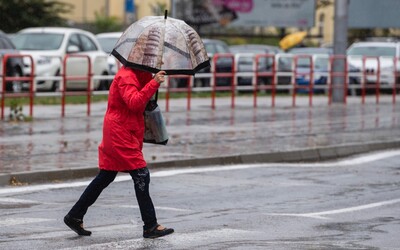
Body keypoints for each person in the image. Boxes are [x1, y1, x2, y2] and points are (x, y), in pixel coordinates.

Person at [63, 66, 174, 239]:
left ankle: (75, 216)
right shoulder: (126, 76)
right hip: (120, 134)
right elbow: (135, 103)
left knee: (106, 176)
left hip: (124, 131)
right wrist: (153, 83)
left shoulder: (139, 73)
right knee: (141, 175)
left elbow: (144, 96)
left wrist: (153, 80)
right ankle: (150, 225)